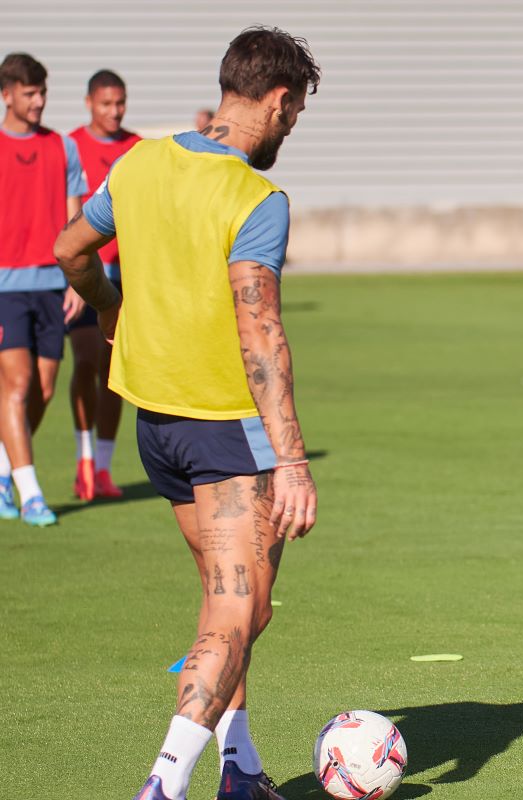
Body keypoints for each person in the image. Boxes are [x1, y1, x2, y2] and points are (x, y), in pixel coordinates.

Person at [55, 26, 319, 800]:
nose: (291, 127)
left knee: (230, 604)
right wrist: (292, 460)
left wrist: (110, 308)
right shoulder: (257, 197)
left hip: (156, 429)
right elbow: (260, 330)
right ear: (275, 101)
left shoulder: (138, 162)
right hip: (227, 434)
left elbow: (71, 247)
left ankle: (237, 767)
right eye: (295, 112)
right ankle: (164, 784)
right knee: (238, 613)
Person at [0, 52, 88, 526]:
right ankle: (31, 492)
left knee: (45, 388)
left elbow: (76, 221)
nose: (38, 102)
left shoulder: (62, 147)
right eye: (30, 93)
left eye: (43, 93)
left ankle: (2, 468)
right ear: (7, 94)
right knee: (15, 385)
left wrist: (77, 277)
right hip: (4, 288)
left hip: (53, 285)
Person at [67, 69, 141, 501]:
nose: (115, 112)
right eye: (106, 103)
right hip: (84, 274)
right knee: (87, 361)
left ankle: (105, 466)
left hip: (126, 275)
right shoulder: (70, 144)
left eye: (120, 103)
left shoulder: (136, 149)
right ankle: (83, 460)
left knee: (115, 372)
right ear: (90, 103)